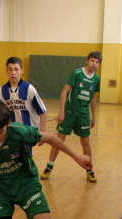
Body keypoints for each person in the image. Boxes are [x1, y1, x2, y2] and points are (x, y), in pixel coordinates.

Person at [40, 51, 102, 183]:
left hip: (83, 115)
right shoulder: (77, 73)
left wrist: (94, 116)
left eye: (97, 62)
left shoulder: (96, 79)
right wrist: (61, 111)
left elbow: (93, 98)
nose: (94, 64)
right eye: (92, 61)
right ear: (87, 60)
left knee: (85, 142)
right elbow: (64, 92)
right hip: (69, 113)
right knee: (58, 140)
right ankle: (49, 166)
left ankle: (89, 170)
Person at [0, 57, 47, 136]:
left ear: (21, 71)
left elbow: (42, 111)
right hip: (11, 132)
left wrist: (42, 132)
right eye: (10, 69)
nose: (13, 73)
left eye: (16, 69)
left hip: (28, 132)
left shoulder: (29, 89)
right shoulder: (2, 91)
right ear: (6, 71)